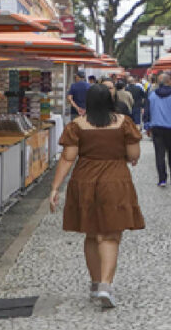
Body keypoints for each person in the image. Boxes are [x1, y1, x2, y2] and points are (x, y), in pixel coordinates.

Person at [48, 83, 144, 309]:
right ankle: (105, 285)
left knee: (92, 234)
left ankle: (94, 283)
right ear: (110, 102)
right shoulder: (124, 123)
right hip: (115, 181)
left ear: (87, 103)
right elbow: (133, 155)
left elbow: (68, 158)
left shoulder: (77, 125)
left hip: (85, 181)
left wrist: (55, 188)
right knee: (109, 236)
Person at [145, 73, 171, 186]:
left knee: (159, 154)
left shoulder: (152, 95)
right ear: (170, 82)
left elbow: (147, 112)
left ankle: (162, 179)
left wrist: (147, 126)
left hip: (157, 128)